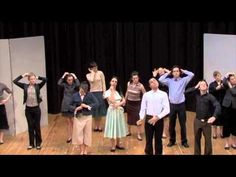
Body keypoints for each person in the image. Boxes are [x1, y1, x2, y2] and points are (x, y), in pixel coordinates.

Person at [159, 66, 194, 148]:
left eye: (177, 71)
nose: (176, 72)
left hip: (181, 105)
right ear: (172, 73)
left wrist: (183, 70)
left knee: (183, 124)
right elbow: (160, 79)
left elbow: (192, 75)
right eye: (174, 71)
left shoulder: (184, 80)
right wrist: (168, 73)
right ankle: (172, 140)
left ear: (179, 72)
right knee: (172, 124)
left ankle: (184, 141)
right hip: (172, 105)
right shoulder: (169, 81)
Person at [185, 80, 221, 155]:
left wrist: (214, 116)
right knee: (197, 140)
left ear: (207, 87)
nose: (203, 85)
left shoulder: (210, 97)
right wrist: (196, 86)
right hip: (197, 121)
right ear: (199, 87)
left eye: (205, 84)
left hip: (207, 122)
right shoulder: (196, 94)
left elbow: (217, 105)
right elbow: (186, 92)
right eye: (201, 84)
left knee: (208, 141)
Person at [13, 72, 47, 150]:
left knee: (37, 126)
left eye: (34, 79)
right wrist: (23, 75)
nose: (33, 80)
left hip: (36, 109)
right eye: (31, 79)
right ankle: (31, 144)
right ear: (29, 80)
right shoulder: (25, 86)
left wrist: (37, 76)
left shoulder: (38, 86)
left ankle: (38, 143)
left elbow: (45, 80)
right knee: (30, 127)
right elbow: (15, 81)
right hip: (28, 109)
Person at [137, 78, 170, 155]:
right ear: (149, 85)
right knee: (148, 139)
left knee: (158, 139)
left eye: (155, 81)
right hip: (149, 119)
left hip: (159, 119)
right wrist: (141, 118)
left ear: (157, 83)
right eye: (151, 82)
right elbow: (142, 108)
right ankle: (148, 153)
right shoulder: (146, 95)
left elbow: (167, 109)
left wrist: (158, 117)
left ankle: (159, 153)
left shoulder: (163, 94)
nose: (154, 82)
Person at [69, 81, 99, 155]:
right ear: (80, 88)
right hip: (78, 117)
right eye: (82, 91)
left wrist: (87, 106)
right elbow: (69, 106)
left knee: (87, 134)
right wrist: (76, 108)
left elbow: (97, 103)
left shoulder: (90, 95)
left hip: (87, 117)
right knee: (78, 134)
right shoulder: (74, 95)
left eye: (85, 91)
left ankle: (85, 149)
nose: (83, 93)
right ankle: (81, 150)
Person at [104, 76, 127, 152]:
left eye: (115, 81)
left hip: (118, 111)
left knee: (118, 127)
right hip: (112, 111)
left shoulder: (119, 91)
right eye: (113, 81)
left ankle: (118, 144)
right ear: (110, 82)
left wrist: (118, 104)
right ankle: (113, 145)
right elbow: (112, 101)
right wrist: (112, 91)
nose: (114, 83)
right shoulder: (107, 92)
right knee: (112, 127)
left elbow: (124, 101)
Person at [58, 72, 80, 143]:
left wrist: (75, 76)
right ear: (67, 80)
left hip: (72, 105)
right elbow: (59, 83)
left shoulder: (74, 85)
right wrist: (63, 75)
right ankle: (69, 136)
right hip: (65, 105)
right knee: (68, 122)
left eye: (71, 79)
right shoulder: (64, 85)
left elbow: (78, 84)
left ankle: (75, 136)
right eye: (69, 80)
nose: (70, 81)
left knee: (73, 121)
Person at [125, 71, 146, 141]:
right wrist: (125, 100)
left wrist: (145, 103)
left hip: (137, 104)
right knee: (129, 118)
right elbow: (127, 92)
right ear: (132, 79)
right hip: (129, 103)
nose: (135, 79)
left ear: (138, 78)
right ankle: (128, 131)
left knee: (138, 119)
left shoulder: (141, 86)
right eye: (134, 78)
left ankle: (139, 134)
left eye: (136, 78)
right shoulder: (129, 84)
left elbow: (145, 95)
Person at [86, 61, 106, 132]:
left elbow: (103, 82)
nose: (95, 68)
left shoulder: (100, 73)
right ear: (91, 68)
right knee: (94, 110)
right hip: (92, 93)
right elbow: (91, 80)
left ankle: (100, 126)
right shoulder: (88, 75)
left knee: (99, 109)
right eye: (94, 67)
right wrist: (92, 73)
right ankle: (95, 126)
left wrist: (104, 92)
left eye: (96, 67)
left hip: (99, 92)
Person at [153, 67, 170, 138]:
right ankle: (156, 131)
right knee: (156, 115)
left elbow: (171, 73)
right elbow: (153, 84)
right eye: (159, 71)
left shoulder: (168, 78)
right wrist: (155, 74)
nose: (160, 71)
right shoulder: (156, 79)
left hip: (165, 98)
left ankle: (164, 132)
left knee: (165, 117)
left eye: (161, 70)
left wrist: (166, 70)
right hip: (157, 99)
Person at [209, 71, 225, 139]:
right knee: (214, 119)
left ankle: (221, 133)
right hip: (214, 104)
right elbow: (214, 90)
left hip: (223, 104)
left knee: (222, 119)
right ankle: (214, 133)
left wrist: (223, 85)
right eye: (217, 76)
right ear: (214, 77)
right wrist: (220, 86)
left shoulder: (224, 83)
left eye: (219, 75)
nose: (218, 77)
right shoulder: (212, 84)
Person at [222, 72, 236, 150]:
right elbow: (224, 81)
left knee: (234, 125)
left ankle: (234, 143)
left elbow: (234, 92)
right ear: (229, 80)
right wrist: (227, 74)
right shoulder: (227, 85)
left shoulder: (231, 86)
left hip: (234, 108)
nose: (233, 80)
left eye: (234, 78)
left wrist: (230, 86)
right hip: (226, 107)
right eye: (231, 79)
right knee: (226, 125)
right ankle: (227, 143)